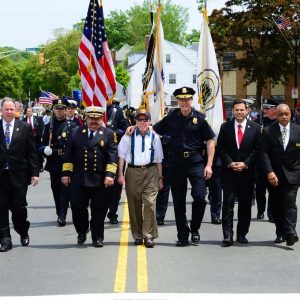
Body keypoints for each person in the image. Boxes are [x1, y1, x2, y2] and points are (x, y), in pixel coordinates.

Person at [153, 87, 215, 246]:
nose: (185, 102)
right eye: (181, 99)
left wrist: (209, 165)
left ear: (191, 101)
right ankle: (182, 234)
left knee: (200, 197)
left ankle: (194, 229)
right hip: (176, 163)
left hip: (195, 162)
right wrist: (133, 129)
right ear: (177, 101)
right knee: (179, 201)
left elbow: (210, 142)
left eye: (187, 99)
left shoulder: (200, 119)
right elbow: (154, 130)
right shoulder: (171, 117)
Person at [62, 106, 118, 247]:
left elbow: (113, 157)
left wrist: (110, 175)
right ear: (85, 118)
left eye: (97, 118)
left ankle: (97, 237)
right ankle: (82, 231)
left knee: (98, 211)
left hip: (99, 180)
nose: (93, 121)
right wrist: (66, 173)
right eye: (91, 118)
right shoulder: (75, 132)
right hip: (79, 178)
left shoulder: (109, 134)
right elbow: (68, 154)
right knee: (77, 207)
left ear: (101, 119)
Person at [217, 99, 261, 246]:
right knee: (228, 204)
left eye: (242, 110)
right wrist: (230, 162)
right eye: (237, 110)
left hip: (247, 173)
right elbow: (221, 149)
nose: (239, 112)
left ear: (247, 110)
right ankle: (227, 235)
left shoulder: (255, 128)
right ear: (233, 111)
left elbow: (257, 150)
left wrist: (246, 163)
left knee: (245, 205)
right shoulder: (225, 127)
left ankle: (242, 234)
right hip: (229, 172)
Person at [118, 109, 163, 248]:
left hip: (151, 171)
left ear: (150, 122)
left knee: (150, 204)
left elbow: (159, 159)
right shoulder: (128, 136)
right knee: (134, 205)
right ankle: (137, 235)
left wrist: (160, 178)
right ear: (135, 121)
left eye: (145, 120)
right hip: (132, 172)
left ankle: (148, 235)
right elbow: (121, 156)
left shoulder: (155, 137)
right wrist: (120, 174)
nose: (142, 123)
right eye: (139, 120)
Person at [0, 97, 39, 252]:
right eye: (6, 109)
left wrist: (35, 172)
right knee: (1, 207)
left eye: (11, 109)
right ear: (1, 111)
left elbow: (31, 152)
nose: (9, 112)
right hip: (1, 175)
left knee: (19, 208)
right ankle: (5, 239)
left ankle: (23, 231)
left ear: (15, 111)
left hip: (19, 176)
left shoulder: (24, 127)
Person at [261, 104, 300, 246]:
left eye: (286, 114)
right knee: (277, 205)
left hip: (293, 175)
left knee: (290, 203)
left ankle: (290, 233)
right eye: (281, 114)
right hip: (274, 176)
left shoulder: (298, 130)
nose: (284, 117)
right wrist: (269, 172)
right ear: (276, 115)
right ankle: (280, 232)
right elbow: (263, 153)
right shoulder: (267, 131)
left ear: (291, 114)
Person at [40, 99, 77, 226]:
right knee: (55, 189)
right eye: (57, 109)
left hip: (67, 161)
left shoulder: (72, 126)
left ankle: (62, 215)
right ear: (54, 110)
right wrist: (44, 149)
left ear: (66, 110)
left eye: (62, 109)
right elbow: (40, 144)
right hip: (54, 160)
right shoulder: (48, 126)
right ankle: (59, 212)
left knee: (65, 188)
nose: (60, 111)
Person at [106, 97, 130, 224]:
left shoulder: (118, 111)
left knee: (116, 186)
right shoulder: (94, 110)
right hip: (98, 154)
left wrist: (111, 133)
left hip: (115, 152)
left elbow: (125, 129)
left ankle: (113, 212)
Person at [255, 99, 278, 221]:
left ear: (274, 109)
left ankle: (271, 213)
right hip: (260, 162)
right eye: (265, 108)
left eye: (268, 108)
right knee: (259, 189)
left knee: (273, 190)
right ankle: (260, 210)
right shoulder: (260, 122)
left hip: (273, 162)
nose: (265, 110)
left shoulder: (278, 124)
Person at [23, 106, 45, 171]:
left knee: (38, 153)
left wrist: (41, 137)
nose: (28, 113)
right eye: (27, 111)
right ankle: (31, 166)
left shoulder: (38, 119)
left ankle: (40, 166)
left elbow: (42, 128)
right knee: (30, 153)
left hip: (37, 139)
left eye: (30, 111)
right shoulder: (23, 120)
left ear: (32, 112)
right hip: (28, 140)